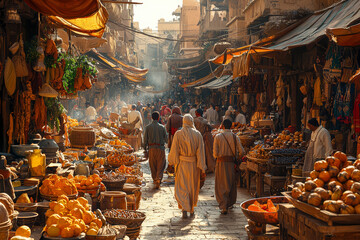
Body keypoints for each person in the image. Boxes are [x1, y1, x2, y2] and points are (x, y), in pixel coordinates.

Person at [168, 114, 207, 218]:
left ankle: (185, 208)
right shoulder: (198, 134)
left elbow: (174, 149)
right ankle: (191, 209)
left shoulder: (178, 134)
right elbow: (201, 153)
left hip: (182, 164)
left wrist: (171, 162)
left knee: (182, 186)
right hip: (193, 166)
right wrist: (202, 168)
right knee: (192, 187)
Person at [213, 119, 244, 214]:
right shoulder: (235, 137)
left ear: (222, 126)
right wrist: (237, 158)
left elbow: (215, 154)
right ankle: (229, 203)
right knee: (230, 183)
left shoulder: (218, 137)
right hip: (231, 163)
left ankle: (223, 206)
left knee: (221, 184)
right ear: (231, 126)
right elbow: (242, 151)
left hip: (221, 163)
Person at [143, 112, 168, 189]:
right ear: (158, 118)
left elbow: (145, 140)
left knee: (152, 165)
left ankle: (155, 179)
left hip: (151, 149)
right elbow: (166, 139)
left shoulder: (147, 127)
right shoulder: (162, 127)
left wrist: (145, 149)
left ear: (151, 118)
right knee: (161, 164)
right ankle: (158, 178)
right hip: (160, 148)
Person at [194, 108, 216, 173]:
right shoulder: (205, 121)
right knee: (205, 153)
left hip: (196, 138)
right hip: (204, 138)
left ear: (197, 113)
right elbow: (210, 127)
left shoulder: (195, 120)